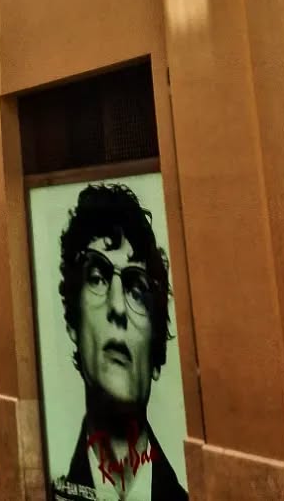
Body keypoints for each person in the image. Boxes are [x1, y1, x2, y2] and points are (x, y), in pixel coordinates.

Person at [53, 184, 186, 501]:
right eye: (97, 277)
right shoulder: (59, 486)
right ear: (73, 323)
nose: (117, 307)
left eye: (137, 290)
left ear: (156, 353)